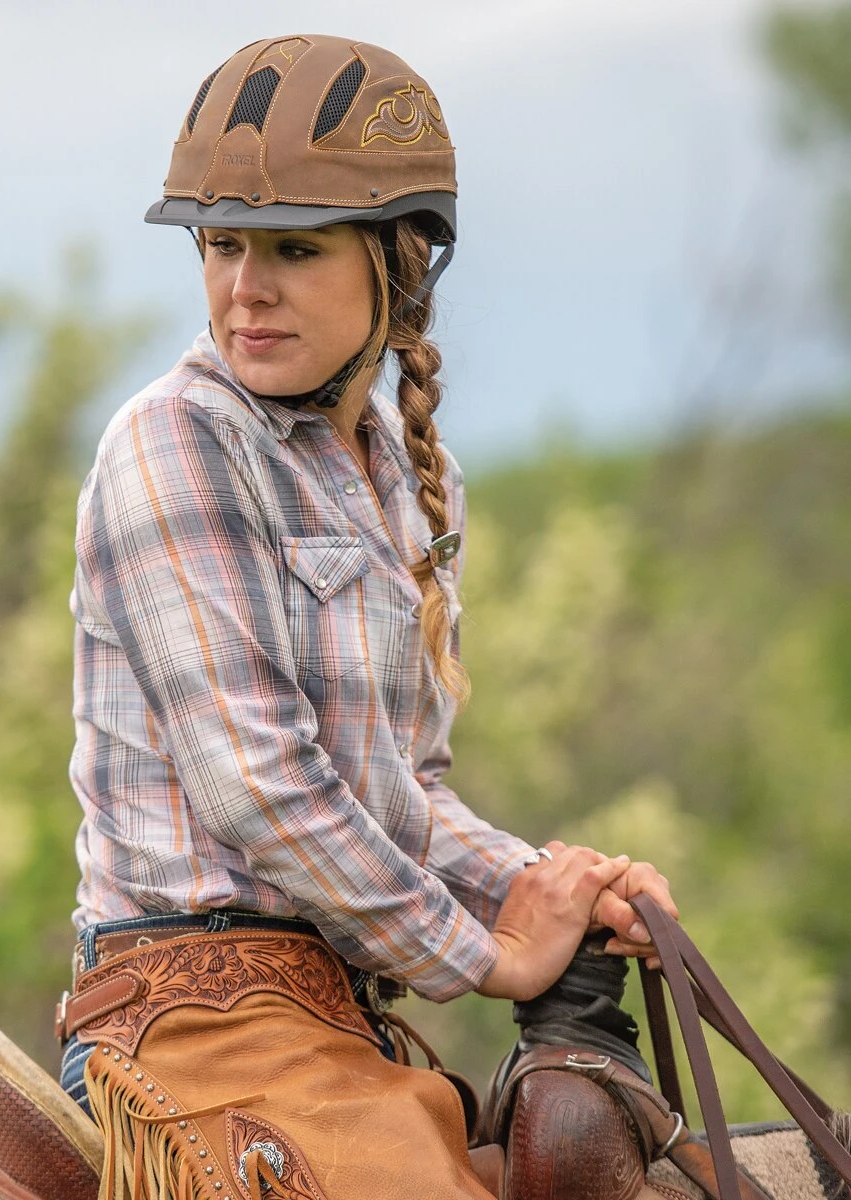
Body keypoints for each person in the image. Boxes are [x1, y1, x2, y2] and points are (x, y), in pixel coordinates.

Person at [57, 34, 677, 1200]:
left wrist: (551, 886)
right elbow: (259, 787)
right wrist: (484, 957)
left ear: (400, 266)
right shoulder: (174, 443)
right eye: (225, 245)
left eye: (294, 249)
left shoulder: (396, 472)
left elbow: (403, 796)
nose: (247, 288)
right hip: (194, 1020)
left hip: (332, 1012)